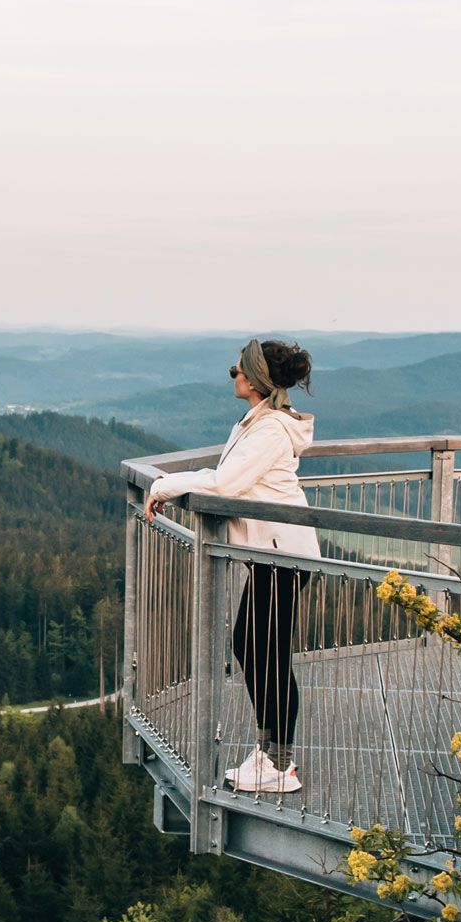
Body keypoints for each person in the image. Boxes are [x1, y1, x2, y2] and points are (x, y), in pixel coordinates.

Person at [143, 339, 318, 794]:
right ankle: (273, 755)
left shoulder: (269, 431)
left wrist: (165, 486)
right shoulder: (258, 423)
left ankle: (280, 764)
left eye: (237, 369)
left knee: (267, 655)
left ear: (256, 380)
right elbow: (230, 479)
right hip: (274, 555)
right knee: (255, 648)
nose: (232, 374)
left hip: (284, 557)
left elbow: (225, 482)